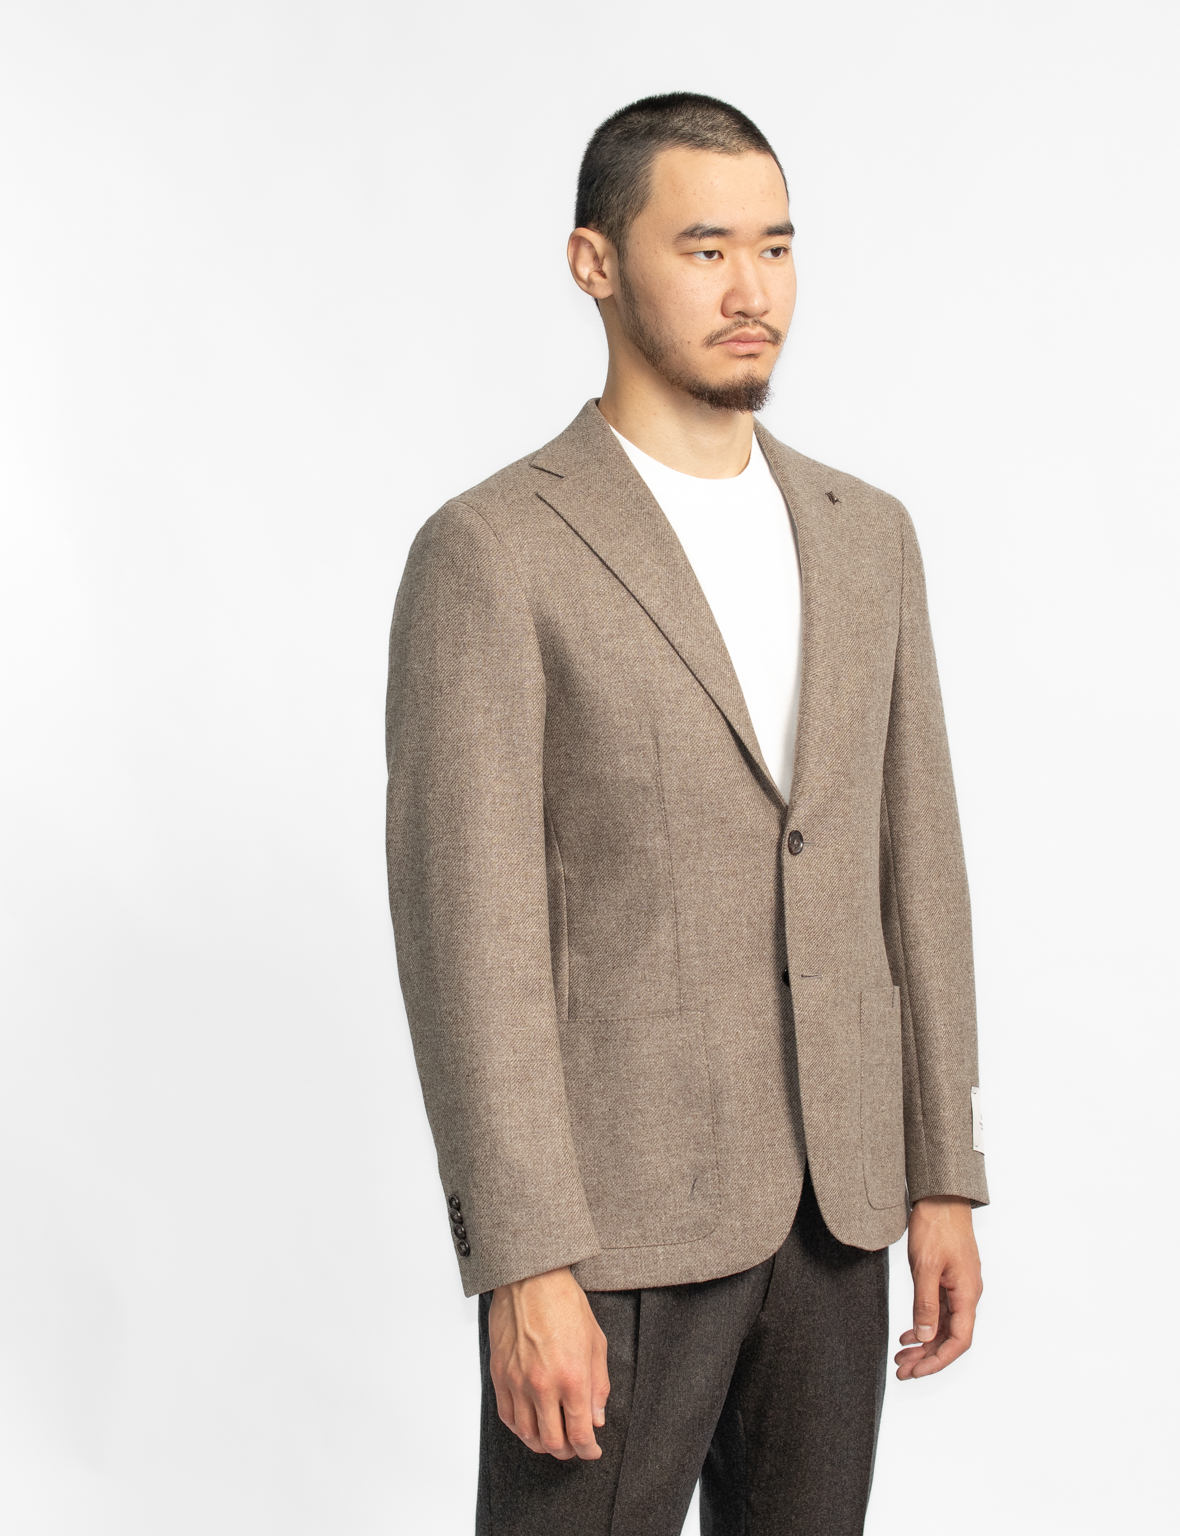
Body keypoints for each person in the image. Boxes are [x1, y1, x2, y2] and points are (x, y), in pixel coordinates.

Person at [386, 92, 988, 1534]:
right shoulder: (493, 551)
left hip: (838, 1215)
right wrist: (523, 1259)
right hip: (613, 1228)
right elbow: (469, 934)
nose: (751, 290)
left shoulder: (869, 537)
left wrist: (942, 1171)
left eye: (776, 248)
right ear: (594, 263)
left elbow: (919, 870)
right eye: (706, 248)